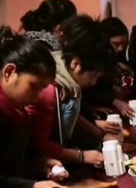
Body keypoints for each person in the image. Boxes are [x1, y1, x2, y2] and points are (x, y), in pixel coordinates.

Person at [0, 28, 72, 188]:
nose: (36, 98)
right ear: (9, 72)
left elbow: (0, 161)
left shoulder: (12, 108)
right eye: (34, 87)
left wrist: (39, 163)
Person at [28, 15, 114, 165]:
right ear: (75, 64)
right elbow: (39, 144)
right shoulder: (49, 89)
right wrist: (81, 156)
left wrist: (98, 132)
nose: (94, 82)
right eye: (94, 75)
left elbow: (70, 116)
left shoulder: (67, 78)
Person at [83, 17, 136, 131]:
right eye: (115, 44)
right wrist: (113, 100)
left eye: (124, 44)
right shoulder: (93, 62)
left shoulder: (123, 62)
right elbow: (88, 91)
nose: (121, 48)